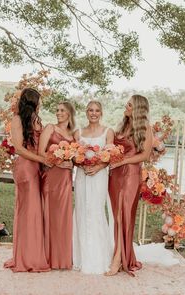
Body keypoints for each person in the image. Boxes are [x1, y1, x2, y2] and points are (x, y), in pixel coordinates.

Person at [106, 94, 153, 276]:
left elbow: (144, 156)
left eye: (129, 105)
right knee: (117, 216)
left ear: (138, 109)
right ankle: (121, 253)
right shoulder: (122, 126)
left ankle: (118, 258)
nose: (126, 107)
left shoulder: (145, 129)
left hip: (130, 175)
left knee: (124, 215)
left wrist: (122, 161)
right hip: (115, 175)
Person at [4, 88, 50, 272]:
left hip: (37, 167)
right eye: (39, 100)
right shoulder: (17, 119)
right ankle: (27, 258)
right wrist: (42, 160)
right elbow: (19, 149)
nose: (41, 104)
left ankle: (34, 253)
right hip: (25, 168)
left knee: (35, 210)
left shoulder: (37, 120)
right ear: (33, 102)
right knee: (28, 210)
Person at [73, 100, 114, 274]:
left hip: (99, 175)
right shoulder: (78, 132)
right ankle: (81, 257)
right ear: (86, 112)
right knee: (82, 210)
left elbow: (111, 156)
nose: (94, 113)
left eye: (97, 110)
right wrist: (81, 165)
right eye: (90, 110)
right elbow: (73, 156)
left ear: (101, 112)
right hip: (82, 175)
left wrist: (98, 167)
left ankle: (100, 257)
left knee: (96, 210)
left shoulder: (108, 132)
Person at [39, 101, 75, 269]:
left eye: (62, 110)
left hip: (66, 179)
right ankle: (48, 256)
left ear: (69, 113)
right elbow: (41, 153)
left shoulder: (73, 135)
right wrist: (59, 162)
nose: (58, 112)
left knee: (63, 217)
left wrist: (72, 163)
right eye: (57, 109)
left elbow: (75, 158)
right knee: (50, 215)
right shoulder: (49, 128)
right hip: (52, 176)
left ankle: (62, 258)